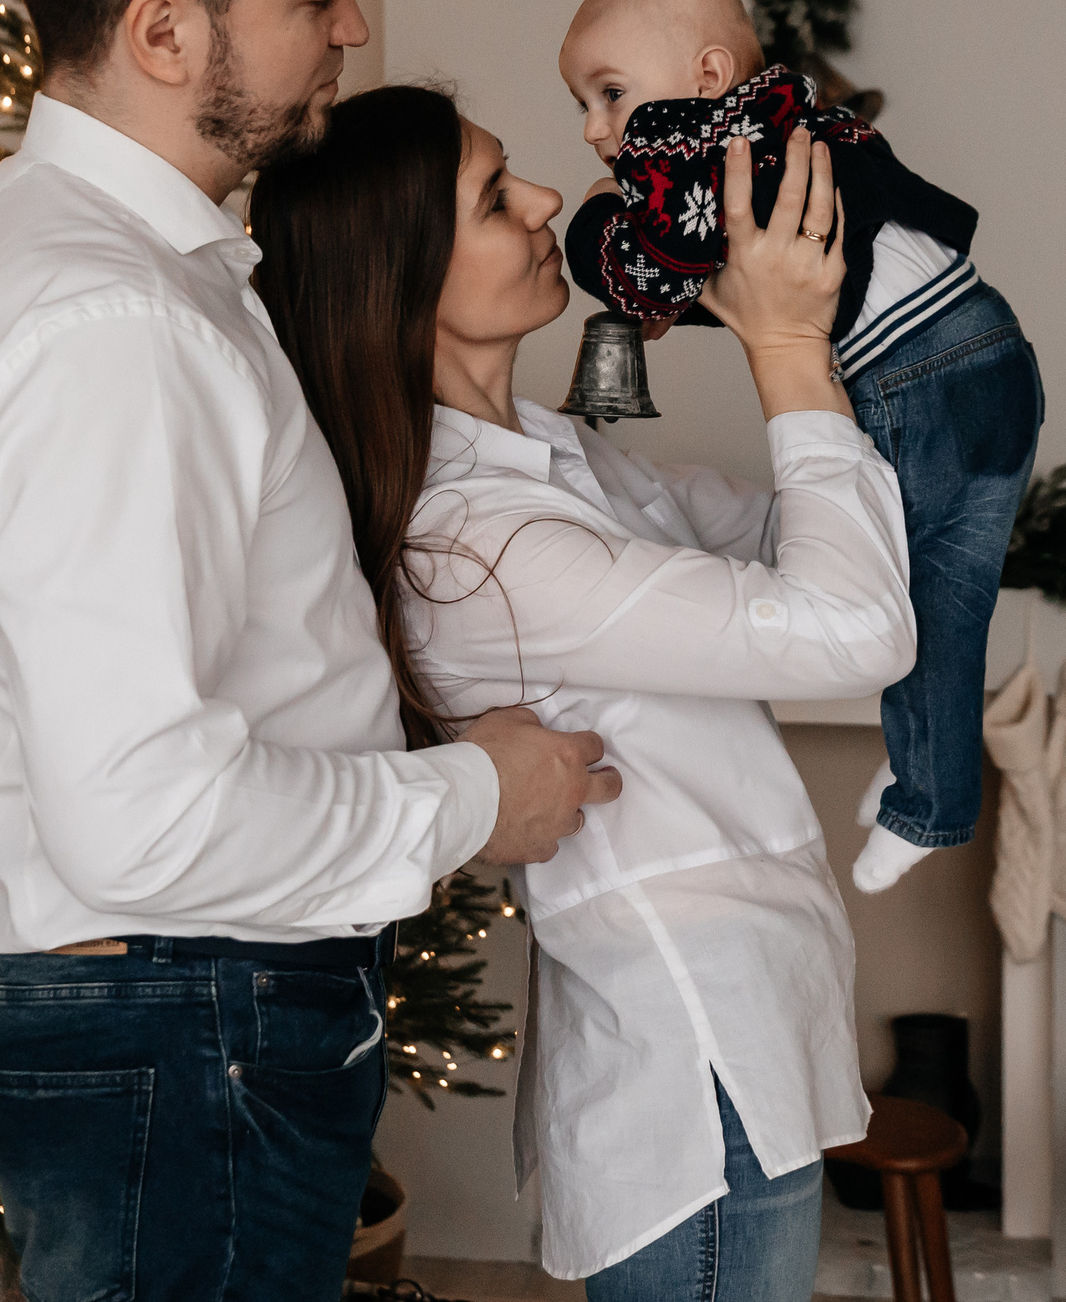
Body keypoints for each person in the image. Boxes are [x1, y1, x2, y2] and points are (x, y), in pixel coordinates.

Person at [0, 0, 619, 1302]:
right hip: (187, 1026)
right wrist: (468, 799)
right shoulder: (106, 318)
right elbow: (142, 815)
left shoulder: (69, 259)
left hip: (179, 1023)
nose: (352, 26)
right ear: (166, 28)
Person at [249, 85, 916, 1298]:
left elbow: (798, 533)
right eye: (496, 197)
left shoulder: (551, 455)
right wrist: (781, 349)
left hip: (743, 1020)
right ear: (402, 275)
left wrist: (823, 314)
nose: (549, 200)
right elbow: (851, 627)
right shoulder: (477, 545)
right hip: (692, 1059)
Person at [558, 0, 1045, 894]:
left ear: (704, 77)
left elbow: (650, 263)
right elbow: (774, 276)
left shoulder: (708, 143)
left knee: (906, 600)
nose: (593, 128)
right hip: (992, 348)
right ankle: (923, 778)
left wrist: (594, 226)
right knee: (951, 598)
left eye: (610, 94)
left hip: (916, 375)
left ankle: (932, 804)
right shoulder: (792, 112)